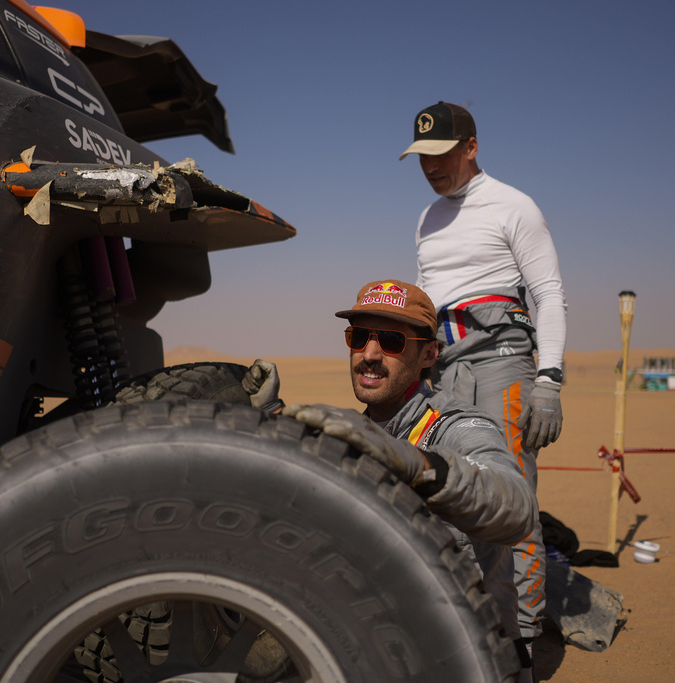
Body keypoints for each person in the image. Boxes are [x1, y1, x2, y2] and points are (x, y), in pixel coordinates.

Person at [243, 279, 538, 674]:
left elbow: (517, 507)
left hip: (468, 659)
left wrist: (418, 466)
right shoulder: (362, 435)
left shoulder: (457, 427)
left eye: (392, 341)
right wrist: (273, 412)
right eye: (359, 336)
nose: (369, 354)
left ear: (428, 354)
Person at [399, 101, 568, 663]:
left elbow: (548, 294)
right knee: (449, 493)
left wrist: (549, 379)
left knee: (509, 500)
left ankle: (516, 642)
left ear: (471, 146)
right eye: (422, 157)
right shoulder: (426, 219)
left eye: (442, 154)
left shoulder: (513, 206)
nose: (431, 167)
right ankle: (465, 630)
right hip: (443, 365)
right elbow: (426, 302)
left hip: (502, 360)